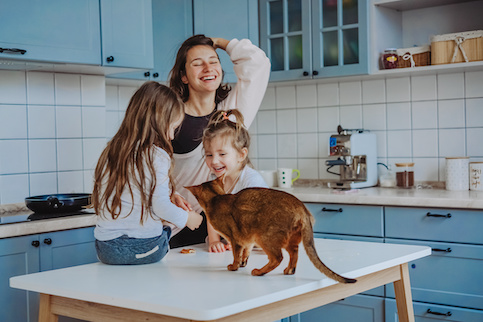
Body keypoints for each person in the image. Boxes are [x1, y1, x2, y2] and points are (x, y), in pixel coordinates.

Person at [168, 34, 270, 248]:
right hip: (179, 226)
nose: (208, 68)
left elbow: (258, 64)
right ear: (183, 76)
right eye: (197, 64)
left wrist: (222, 43)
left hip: (223, 233)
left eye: (213, 61)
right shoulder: (170, 118)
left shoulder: (229, 113)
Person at [92, 81, 203, 265]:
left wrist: (170, 194)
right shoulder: (157, 156)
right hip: (141, 249)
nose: (172, 136)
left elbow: (136, 186)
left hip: (104, 249)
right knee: (167, 229)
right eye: (172, 128)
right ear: (158, 122)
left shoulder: (113, 150)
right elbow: (160, 206)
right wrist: (188, 219)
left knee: (163, 225)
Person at [202, 109, 268, 253]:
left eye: (222, 154)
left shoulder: (251, 182)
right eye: (208, 154)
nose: (214, 161)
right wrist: (214, 241)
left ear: (241, 154)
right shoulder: (213, 180)